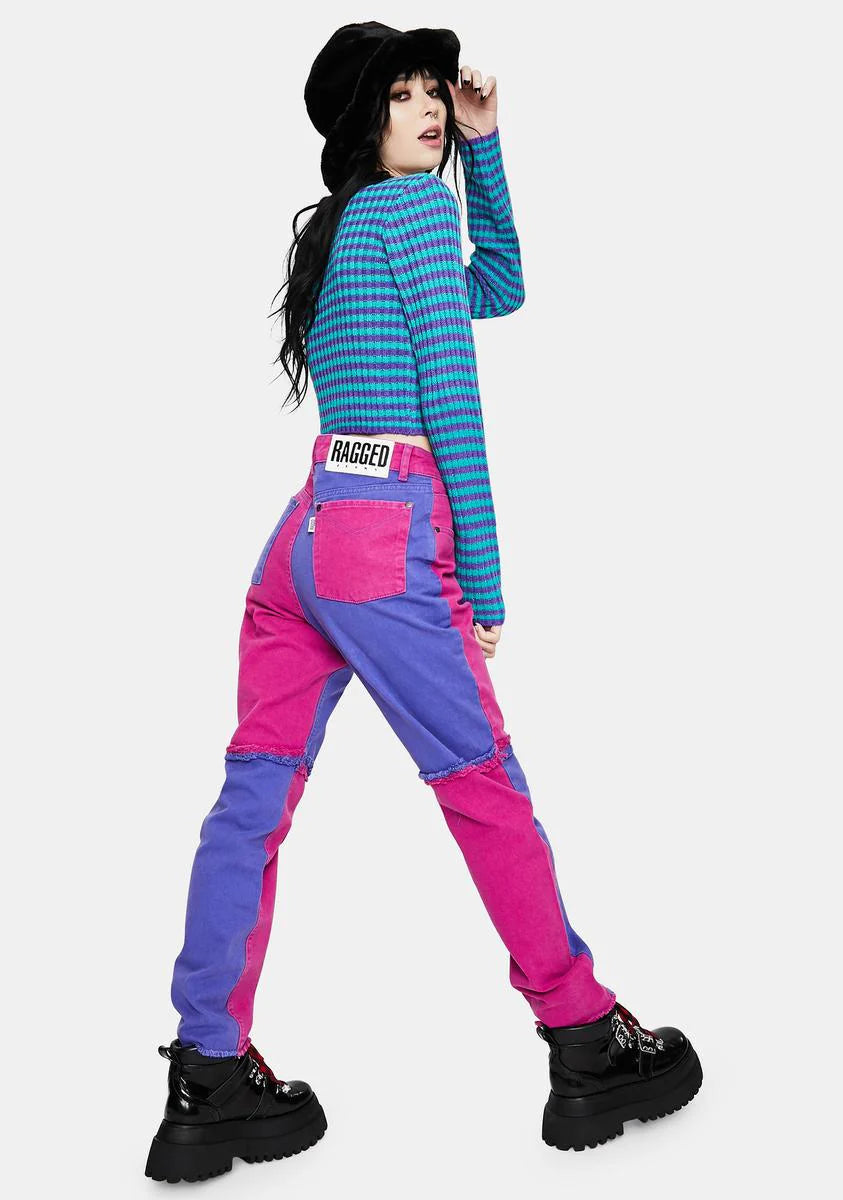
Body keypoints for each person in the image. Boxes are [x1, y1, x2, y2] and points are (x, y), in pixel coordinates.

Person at [145, 22, 703, 1184]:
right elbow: (453, 410)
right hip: (384, 540)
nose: (429, 107)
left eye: (429, 89)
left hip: (303, 536)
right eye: (399, 95)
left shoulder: (351, 223)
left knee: (252, 798)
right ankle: (585, 1037)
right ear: (366, 123)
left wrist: (487, 152)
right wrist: (483, 584)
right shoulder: (408, 212)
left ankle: (206, 1072)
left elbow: (498, 285)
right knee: (483, 785)